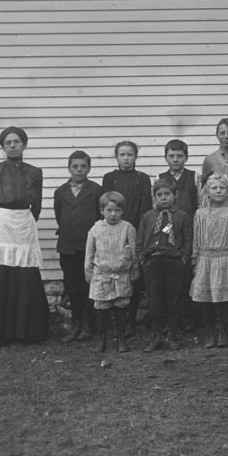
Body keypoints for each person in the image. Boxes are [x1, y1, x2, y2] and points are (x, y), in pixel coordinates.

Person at [0, 126, 51, 343]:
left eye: (17, 141)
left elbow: (38, 206)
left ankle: (26, 331)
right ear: (3, 147)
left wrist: (26, 223)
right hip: (1, 227)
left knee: (24, 277)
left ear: (24, 144)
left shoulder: (35, 172)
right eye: (8, 142)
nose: (12, 145)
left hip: (24, 226)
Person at [101, 140, 153, 337]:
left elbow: (145, 208)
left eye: (129, 155)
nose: (126, 158)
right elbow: (106, 204)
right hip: (113, 230)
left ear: (135, 157)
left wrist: (137, 234)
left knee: (132, 276)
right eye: (122, 155)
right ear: (117, 157)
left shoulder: (142, 179)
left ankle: (131, 321)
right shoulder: (109, 178)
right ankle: (115, 321)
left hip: (133, 231)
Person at [190, 173, 228, 349]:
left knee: (225, 299)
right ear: (207, 191)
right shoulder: (200, 213)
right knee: (205, 299)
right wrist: (194, 259)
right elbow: (196, 238)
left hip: (225, 259)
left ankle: (223, 330)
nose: (218, 191)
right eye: (214, 188)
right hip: (205, 260)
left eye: (222, 188)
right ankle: (209, 332)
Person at [138, 177, 193, 351]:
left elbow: (188, 240)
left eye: (167, 194)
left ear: (175, 195)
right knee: (155, 300)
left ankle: (172, 335)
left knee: (174, 299)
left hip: (173, 262)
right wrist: (142, 258)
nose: (163, 198)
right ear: (154, 196)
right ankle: (156, 336)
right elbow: (140, 240)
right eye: (159, 194)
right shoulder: (148, 216)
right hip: (152, 261)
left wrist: (183, 258)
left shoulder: (181, 216)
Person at [53, 150, 102, 343]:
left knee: (87, 285)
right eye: (75, 166)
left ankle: (89, 324)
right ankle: (76, 323)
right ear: (69, 168)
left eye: (83, 166)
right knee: (72, 287)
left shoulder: (96, 190)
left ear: (89, 168)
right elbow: (59, 216)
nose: (79, 170)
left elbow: (99, 219)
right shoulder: (60, 192)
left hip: (88, 247)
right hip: (67, 247)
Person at [85, 192, 138, 353]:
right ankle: (102, 339)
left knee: (121, 307)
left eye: (117, 210)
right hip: (102, 275)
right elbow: (89, 253)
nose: (113, 214)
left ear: (122, 211)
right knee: (102, 308)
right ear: (102, 211)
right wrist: (88, 272)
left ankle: (121, 338)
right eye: (109, 210)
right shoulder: (95, 229)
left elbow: (135, 252)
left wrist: (135, 270)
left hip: (121, 275)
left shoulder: (128, 228)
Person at [159, 138, 197, 332]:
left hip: (188, 231)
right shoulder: (160, 178)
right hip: (167, 232)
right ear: (166, 157)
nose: (175, 160)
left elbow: (198, 206)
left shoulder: (193, 177)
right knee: (169, 277)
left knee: (186, 276)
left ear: (186, 157)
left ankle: (188, 317)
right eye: (171, 156)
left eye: (179, 156)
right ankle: (170, 318)